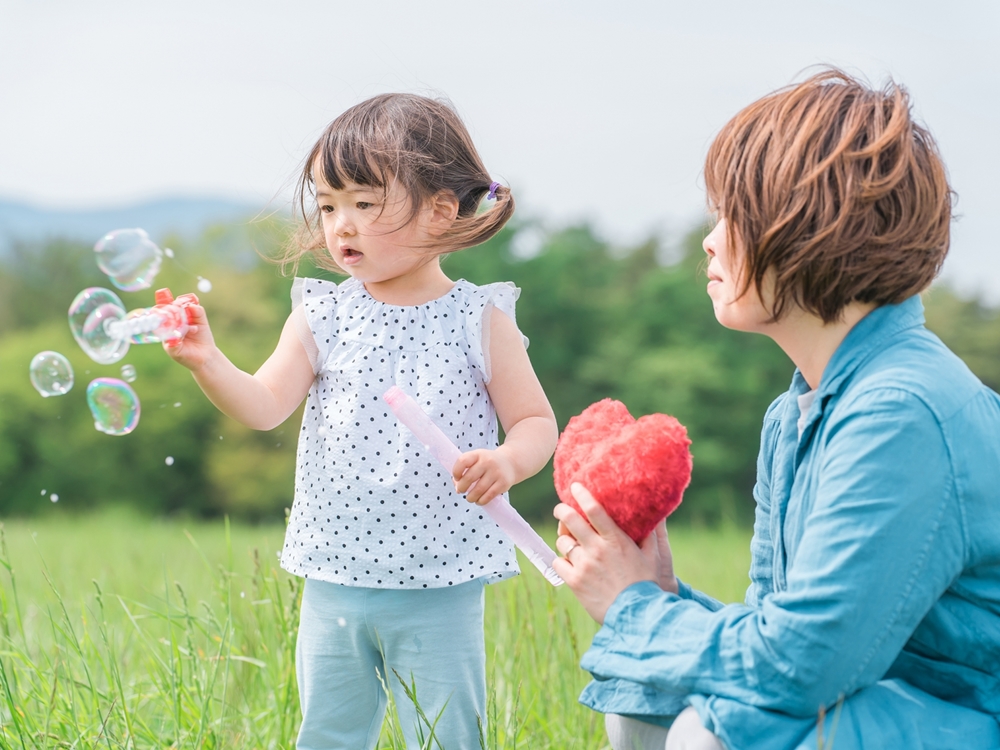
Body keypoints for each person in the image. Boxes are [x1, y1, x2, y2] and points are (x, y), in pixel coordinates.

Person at [552, 69, 1000, 750]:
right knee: (649, 700)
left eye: (732, 215)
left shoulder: (902, 412)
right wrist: (661, 595)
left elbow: (804, 667)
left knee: (711, 730)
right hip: (894, 702)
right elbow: (778, 630)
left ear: (813, 225)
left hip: (969, 715)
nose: (710, 240)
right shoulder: (793, 416)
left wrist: (633, 608)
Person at [164, 93, 558, 749]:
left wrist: (507, 462)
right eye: (327, 205)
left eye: (364, 203)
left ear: (440, 208)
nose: (339, 224)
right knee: (330, 733)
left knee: (446, 735)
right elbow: (264, 405)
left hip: (441, 580)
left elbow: (536, 423)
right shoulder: (324, 314)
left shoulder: (479, 320)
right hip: (335, 576)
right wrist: (209, 363)